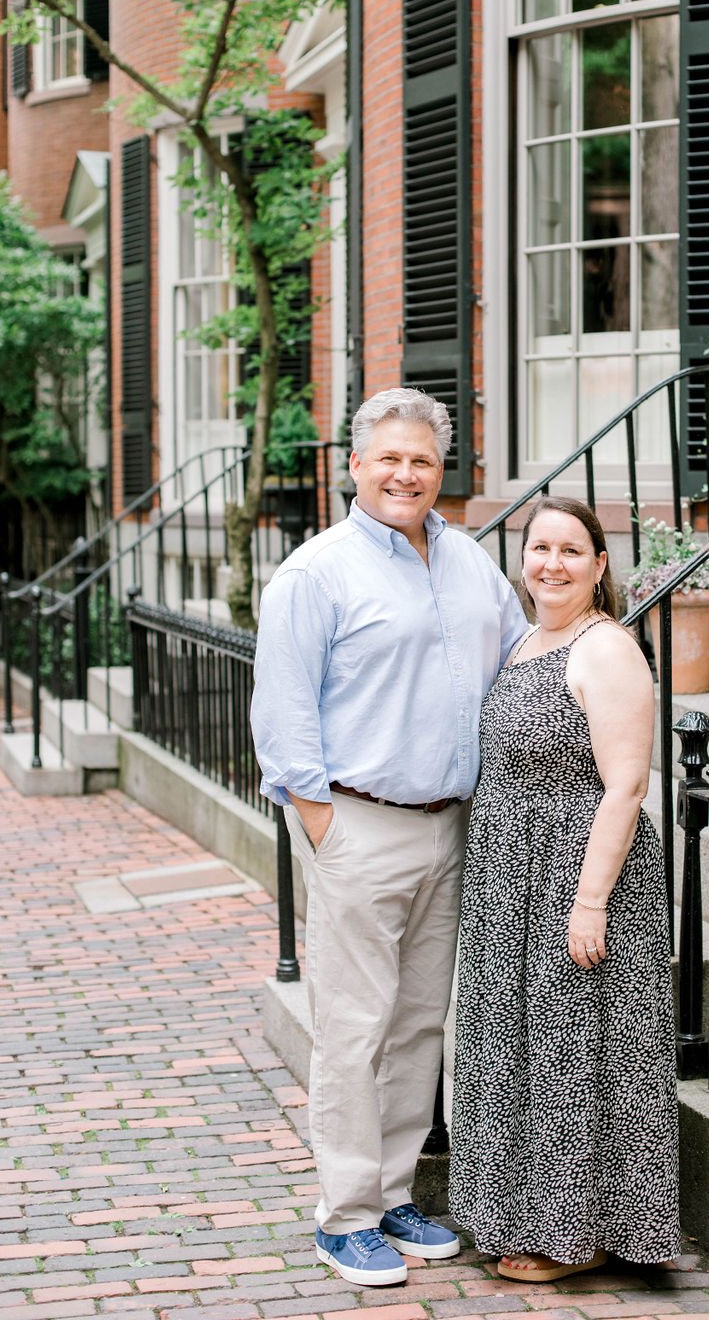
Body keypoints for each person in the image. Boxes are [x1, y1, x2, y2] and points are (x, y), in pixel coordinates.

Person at [250, 387, 527, 1287]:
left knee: (417, 1025)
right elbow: (283, 713)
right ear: (356, 465)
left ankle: (397, 1192)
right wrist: (322, 822)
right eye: (390, 458)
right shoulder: (316, 572)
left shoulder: (471, 564)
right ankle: (346, 1215)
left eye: (423, 460)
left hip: (453, 825)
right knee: (354, 1025)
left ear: (442, 470)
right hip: (358, 825)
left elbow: (524, 654)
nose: (406, 473)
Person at [448, 496, 680, 1280]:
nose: (552, 563)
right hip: (510, 875)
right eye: (539, 548)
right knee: (519, 1051)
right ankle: (517, 1215)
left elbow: (625, 786)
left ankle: (573, 1235)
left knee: (574, 1054)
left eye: (571, 551)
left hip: (576, 873)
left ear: (600, 565)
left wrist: (588, 902)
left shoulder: (605, 648)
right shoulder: (525, 644)